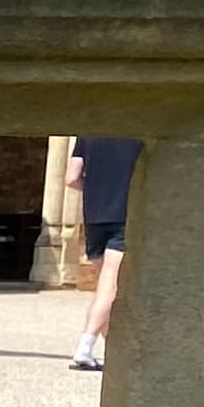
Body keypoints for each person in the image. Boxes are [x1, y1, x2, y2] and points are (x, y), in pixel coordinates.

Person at [67, 135, 137, 373]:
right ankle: (85, 348)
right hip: (124, 215)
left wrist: (97, 190)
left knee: (103, 290)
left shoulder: (88, 132)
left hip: (94, 216)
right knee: (111, 288)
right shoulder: (139, 133)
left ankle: (114, 352)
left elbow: (71, 177)